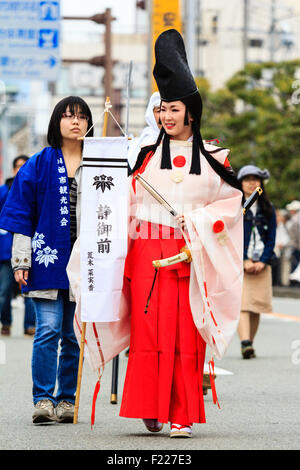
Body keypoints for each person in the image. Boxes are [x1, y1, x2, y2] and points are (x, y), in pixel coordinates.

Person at [118, 29, 244, 438]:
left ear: (190, 111)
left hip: (192, 253)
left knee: (185, 335)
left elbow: (230, 205)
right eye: (162, 110)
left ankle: (181, 414)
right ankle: (150, 406)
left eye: (174, 109)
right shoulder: (143, 156)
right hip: (146, 253)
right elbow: (127, 204)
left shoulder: (214, 158)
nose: (167, 117)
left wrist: (198, 225)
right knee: (150, 332)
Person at [0, 96, 93, 423]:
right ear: (57, 122)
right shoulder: (39, 163)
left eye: (82, 116)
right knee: (48, 330)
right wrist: (20, 260)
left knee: (73, 334)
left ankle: (67, 399)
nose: (76, 122)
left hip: (85, 262)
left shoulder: (98, 164)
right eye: (69, 116)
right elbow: (21, 214)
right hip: (45, 259)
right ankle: (43, 399)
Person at [237, 165, 276, 359]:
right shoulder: (234, 206)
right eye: (247, 179)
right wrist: (243, 259)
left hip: (262, 263)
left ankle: (249, 343)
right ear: (240, 183)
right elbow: (227, 236)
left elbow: (272, 237)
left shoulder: (268, 208)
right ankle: (245, 342)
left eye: (256, 179)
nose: (252, 183)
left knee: (256, 306)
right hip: (239, 263)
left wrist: (263, 260)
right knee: (242, 304)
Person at [0, 155, 36, 336]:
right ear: (13, 169)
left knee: (29, 292)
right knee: (4, 291)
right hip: (6, 251)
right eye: (18, 166)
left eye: (25, 166)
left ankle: (30, 325)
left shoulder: (35, 189)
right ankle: (5, 323)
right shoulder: (3, 191)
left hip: (30, 250)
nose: (21, 169)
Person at [127, 91, 161, 170]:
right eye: (159, 111)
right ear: (151, 113)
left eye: (173, 110)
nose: (165, 116)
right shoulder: (143, 141)